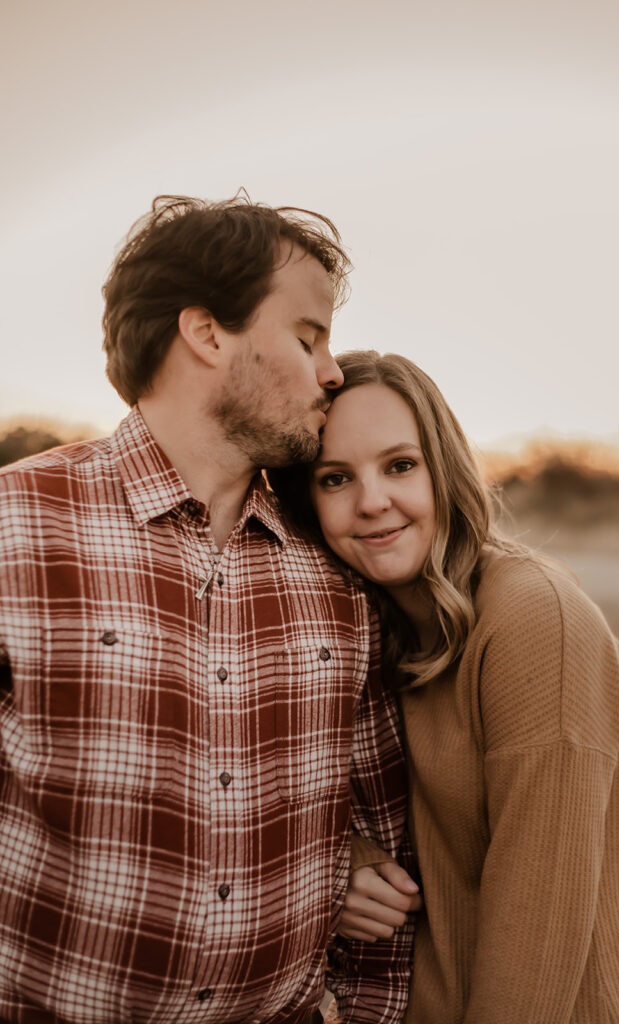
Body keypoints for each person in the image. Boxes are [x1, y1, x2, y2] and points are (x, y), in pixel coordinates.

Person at [0, 199, 418, 1024]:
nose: (331, 371)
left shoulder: (335, 566)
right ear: (208, 333)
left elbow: (383, 847)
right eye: (307, 338)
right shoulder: (16, 526)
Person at [269, 350, 619, 1023]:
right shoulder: (376, 628)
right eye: (335, 478)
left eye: (400, 465)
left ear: (444, 468)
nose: (372, 502)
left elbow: (539, 922)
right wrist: (349, 862)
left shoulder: (534, 619)